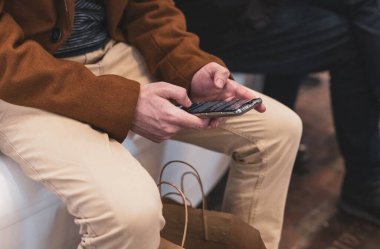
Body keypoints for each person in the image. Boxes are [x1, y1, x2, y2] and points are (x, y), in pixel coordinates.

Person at [0, 1, 302, 249]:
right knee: (131, 216)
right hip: (26, 82)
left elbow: (149, 8)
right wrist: (123, 102)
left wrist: (189, 65)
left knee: (278, 131)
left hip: (114, 51)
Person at [175, 0, 380, 228]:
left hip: (239, 13)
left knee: (360, 13)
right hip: (219, 21)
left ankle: (363, 180)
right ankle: (364, 183)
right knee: (355, 32)